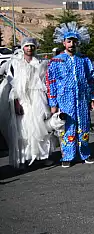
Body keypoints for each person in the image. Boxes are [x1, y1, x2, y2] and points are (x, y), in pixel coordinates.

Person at [47, 22, 94, 167]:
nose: (71, 44)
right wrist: (53, 104)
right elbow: (51, 83)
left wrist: (91, 98)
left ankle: (85, 153)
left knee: (83, 126)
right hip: (65, 101)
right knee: (67, 127)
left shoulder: (84, 60)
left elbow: (90, 80)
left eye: (74, 41)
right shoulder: (56, 61)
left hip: (81, 100)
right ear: (63, 42)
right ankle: (68, 156)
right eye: (69, 41)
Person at [0, 37, 52, 168]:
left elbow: (44, 81)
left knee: (40, 128)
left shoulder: (40, 62)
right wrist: (17, 103)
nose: (29, 48)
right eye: (27, 46)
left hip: (37, 98)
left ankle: (42, 156)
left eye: (32, 46)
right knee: (23, 130)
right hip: (22, 100)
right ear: (22, 48)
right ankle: (23, 159)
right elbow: (13, 83)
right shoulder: (15, 63)